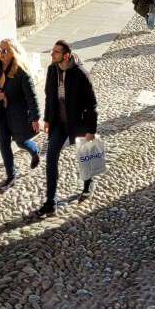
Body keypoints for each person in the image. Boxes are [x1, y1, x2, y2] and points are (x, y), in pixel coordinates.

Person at [36, 39, 98, 217]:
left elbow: (92, 105)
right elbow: (49, 97)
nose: (52, 54)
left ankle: (88, 184)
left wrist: (91, 130)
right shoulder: (52, 70)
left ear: (66, 55)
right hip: (59, 124)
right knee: (51, 158)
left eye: (56, 52)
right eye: (52, 51)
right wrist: (47, 119)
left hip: (78, 123)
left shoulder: (81, 74)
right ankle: (51, 201)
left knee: (84, 155)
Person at [0, 38, 41, 189]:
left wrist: (35, 118)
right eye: (0, 50)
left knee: (20, 141)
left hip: (17, 113)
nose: (1, 53)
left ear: (13, 53)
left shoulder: (22, 73)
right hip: (1, 113)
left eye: (5, 50)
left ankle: (35, 150)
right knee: (3, 144)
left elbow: (32, 96)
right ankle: (11, 175)